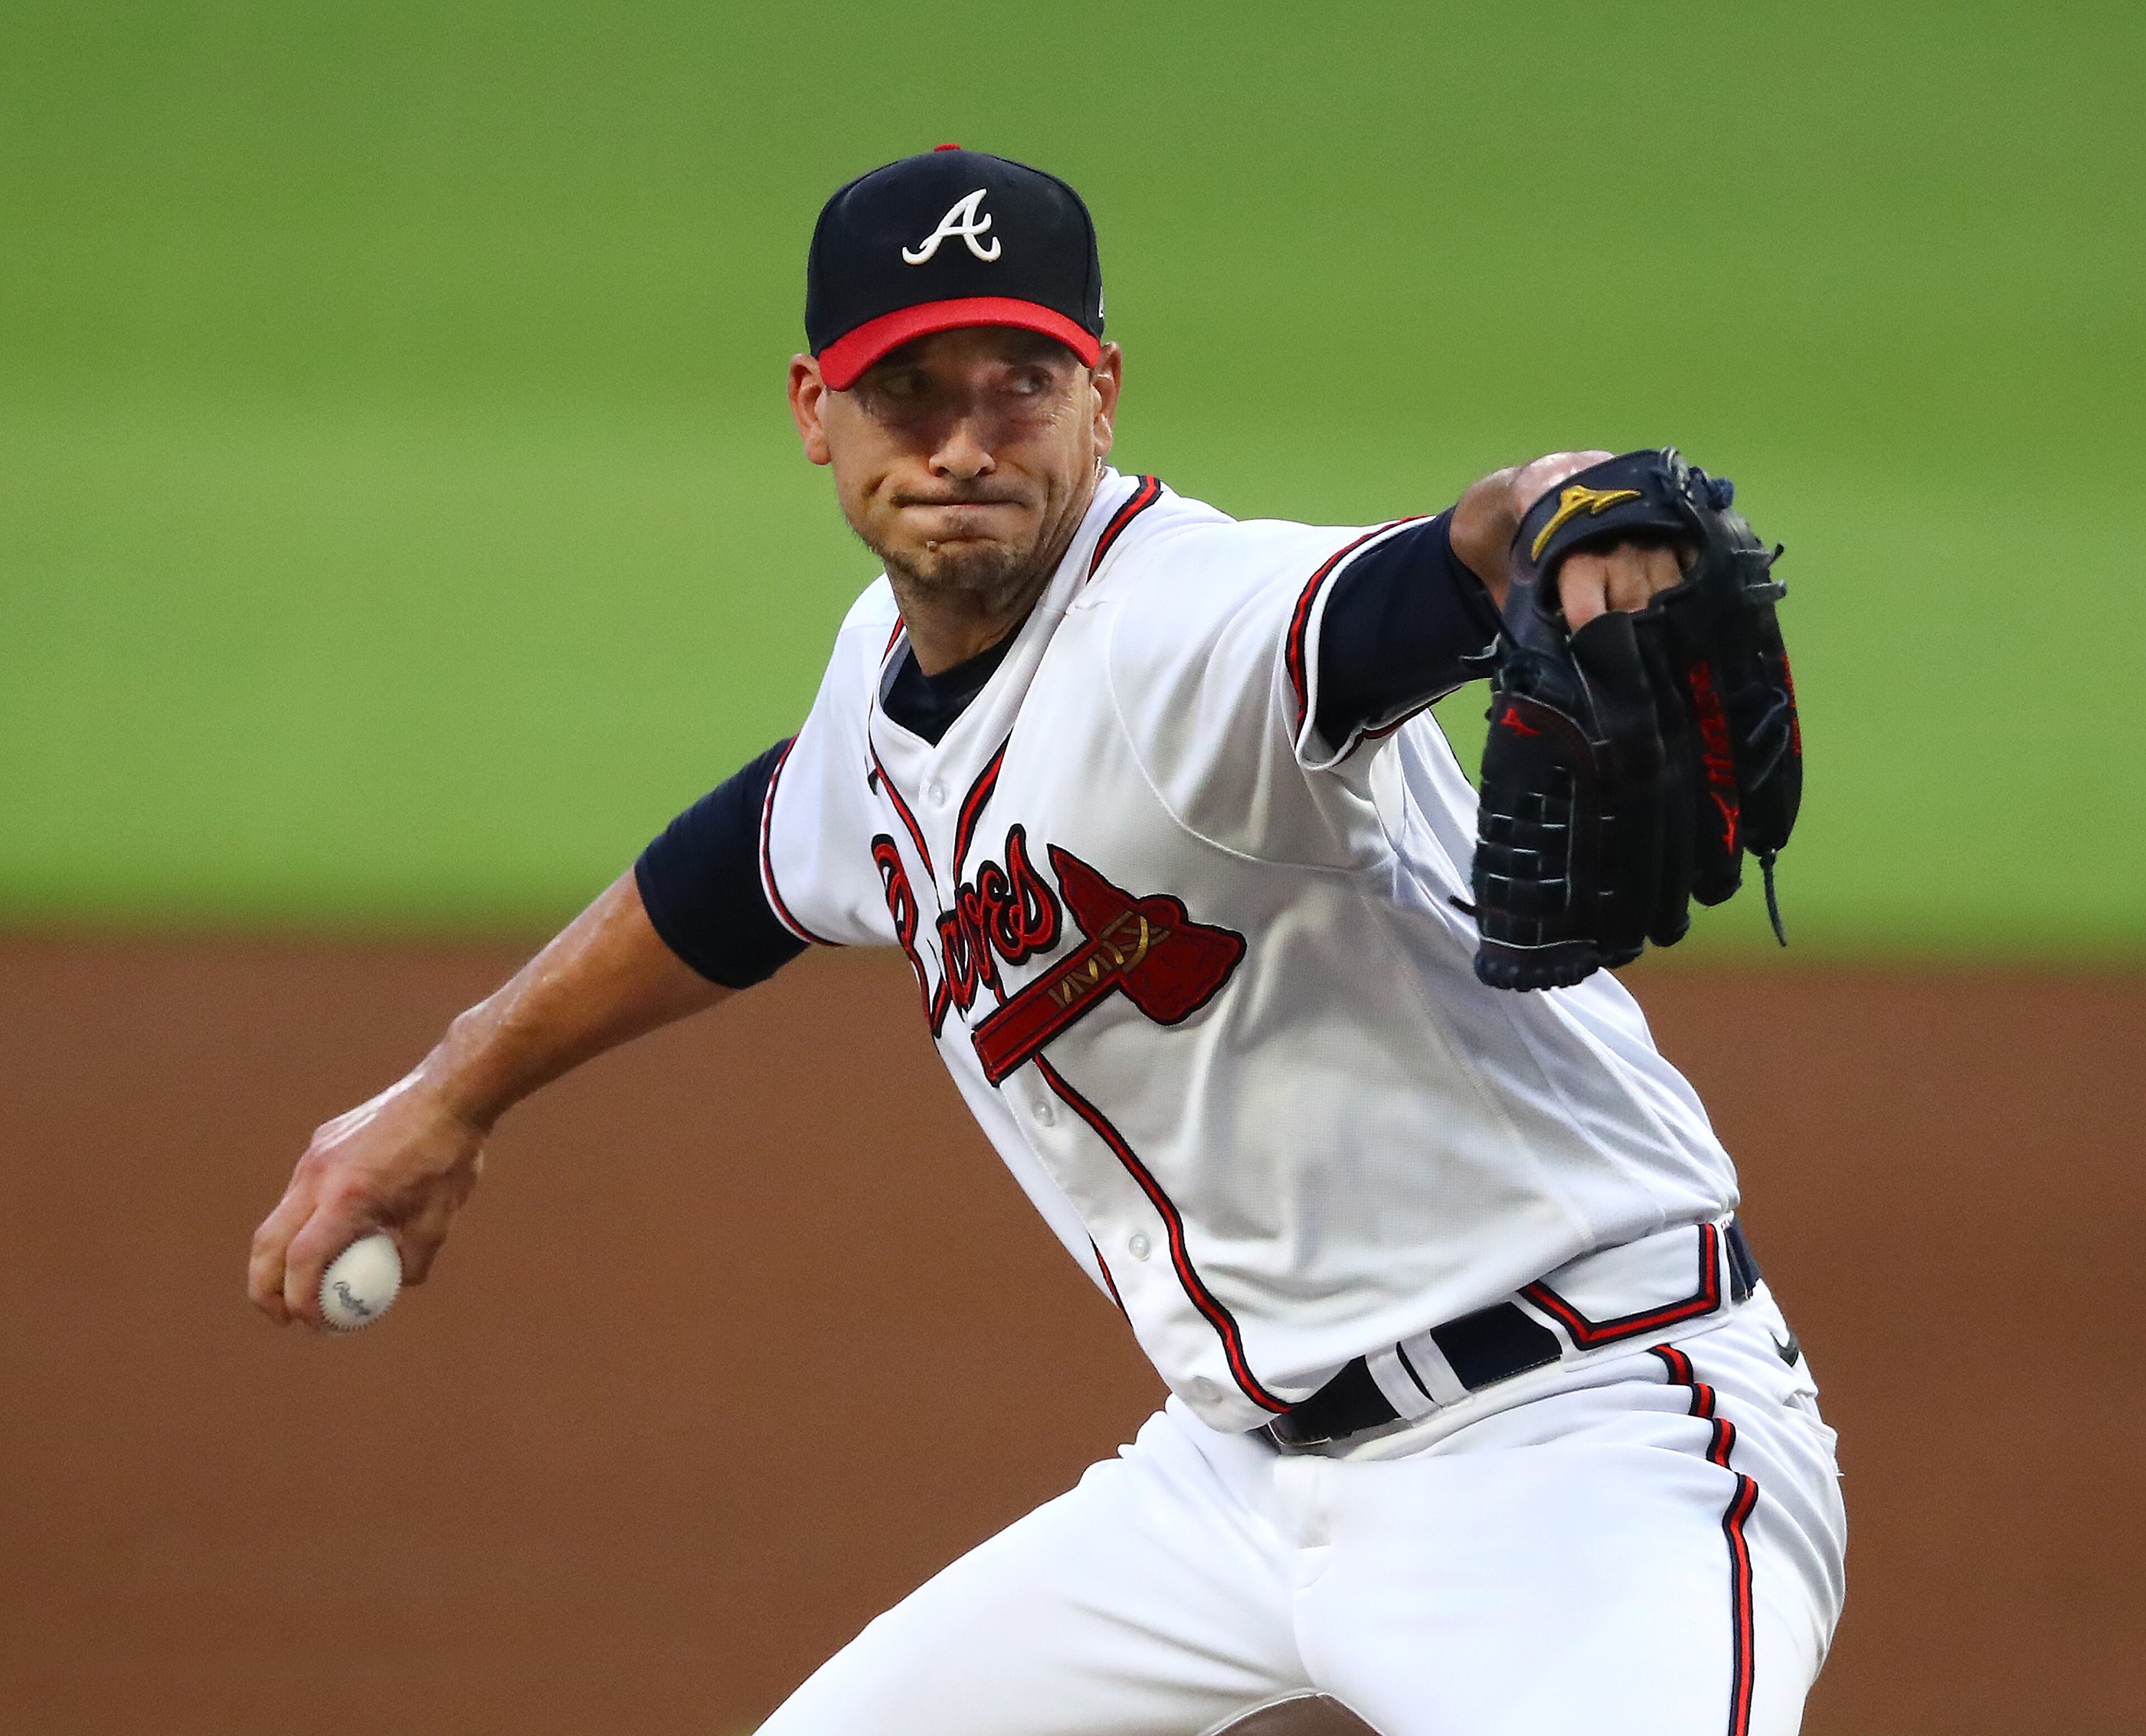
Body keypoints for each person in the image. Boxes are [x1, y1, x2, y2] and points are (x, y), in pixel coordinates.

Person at [249, 147, 1845, 1735]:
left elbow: (1430, 570)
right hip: (1230, 1487)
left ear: (1103, 393)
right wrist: (450, 1095)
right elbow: (742, 865)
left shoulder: (1185, 630)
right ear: (816, 411)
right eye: (907, 389)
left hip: (1583, 1442)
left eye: (1021, 381)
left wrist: (1563, 510)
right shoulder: (885, 672)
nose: (964, 443)